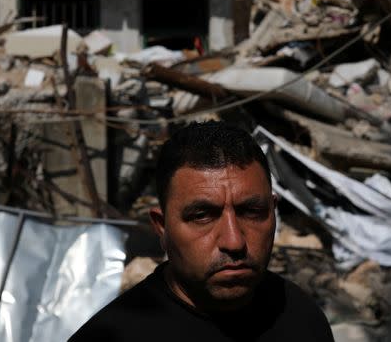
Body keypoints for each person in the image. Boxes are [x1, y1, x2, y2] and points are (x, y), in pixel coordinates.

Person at [68, 121, 334, 341]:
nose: (234, 241)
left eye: (251, 212)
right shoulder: (111, 337)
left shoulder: (300, 317)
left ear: (273, 212)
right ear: (162, 227)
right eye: (202, 216)